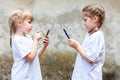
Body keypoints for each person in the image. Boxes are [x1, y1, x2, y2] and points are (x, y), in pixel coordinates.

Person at [9, 9, 49, 80]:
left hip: (31, 76)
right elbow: (30, 58)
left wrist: (44, 46)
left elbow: (35, 55)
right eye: (29, 22)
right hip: (22, 77)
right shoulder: (18, 40)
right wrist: (36, 41)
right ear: (20, 23)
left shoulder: (28, 37)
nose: (32, 25)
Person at [68, 4, 105, 80]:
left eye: (85, 20)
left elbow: (90, 58)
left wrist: (77, 46)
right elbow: (85, 52)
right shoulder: (90, 34)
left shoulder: (97, 36)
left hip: (90, 77)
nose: (83, 22)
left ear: (95, 19)